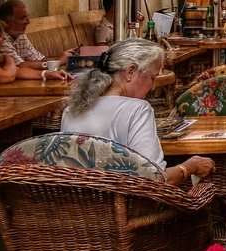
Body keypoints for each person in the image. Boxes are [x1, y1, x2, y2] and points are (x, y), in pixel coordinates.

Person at [61, 38, 214, 185]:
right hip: (126, 207)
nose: (153, 86)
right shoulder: (137, 109)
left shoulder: (71, 110)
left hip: (76, 206)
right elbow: (154, 179)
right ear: (130, 72)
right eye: (152, 78)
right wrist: (189, 166)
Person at [0, 0, 72, 80]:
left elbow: (39, 59)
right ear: (7, 22)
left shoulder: (20, 35)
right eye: (22, 18)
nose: (28, 22)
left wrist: (63, 58)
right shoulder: (0, 39)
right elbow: (19, 66)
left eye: (27, 17)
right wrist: (59, 61)